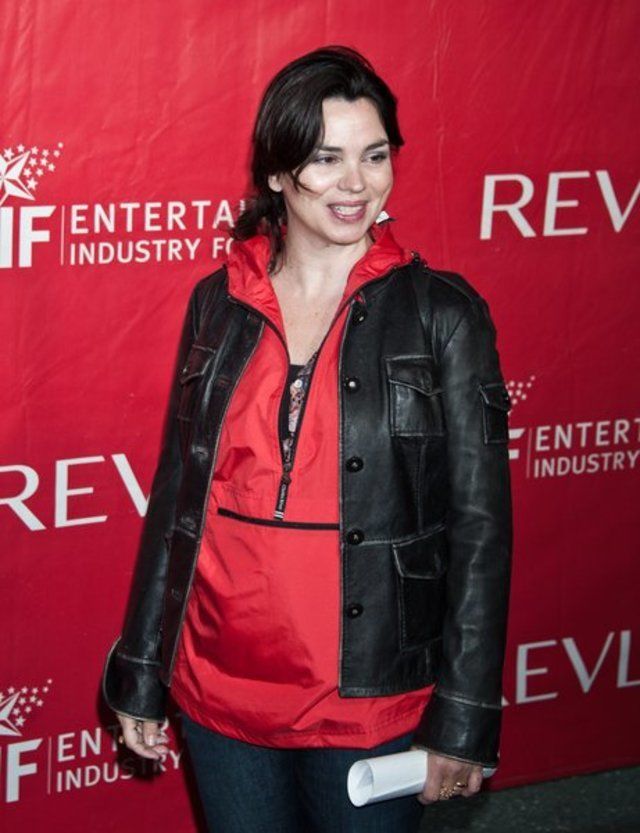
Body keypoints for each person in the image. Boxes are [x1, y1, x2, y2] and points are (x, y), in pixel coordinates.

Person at [102, 44, 513, 833]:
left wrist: (465, 712)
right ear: (276, 172)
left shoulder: (445, 316)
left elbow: (480, 529)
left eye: (374, 155)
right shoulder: (217, 302)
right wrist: (143, 666)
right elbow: (179, 499)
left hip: (369, 700)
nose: (356, 183)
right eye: (326, 158)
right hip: (220, 689)